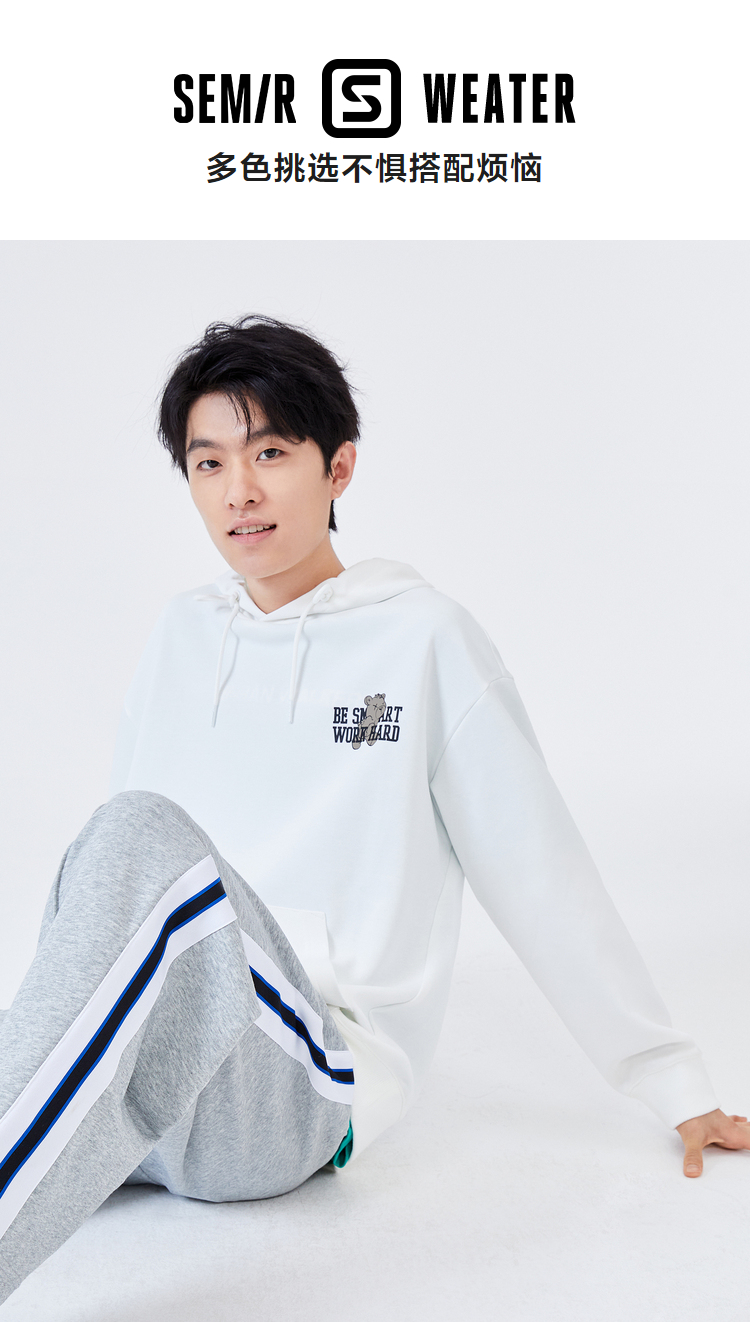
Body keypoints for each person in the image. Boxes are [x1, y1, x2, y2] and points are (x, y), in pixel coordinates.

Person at [0, 315, 747, 1304]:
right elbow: (113, 914)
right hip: (154, 1100)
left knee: (138, 831)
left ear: (338, 467)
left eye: (270, 453)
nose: (239, 490)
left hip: (298, 1084)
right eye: (209, 462)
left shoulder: (424, 640)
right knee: (113, 840)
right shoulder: (181, 634)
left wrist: (672, 1081)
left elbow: (538, 869)